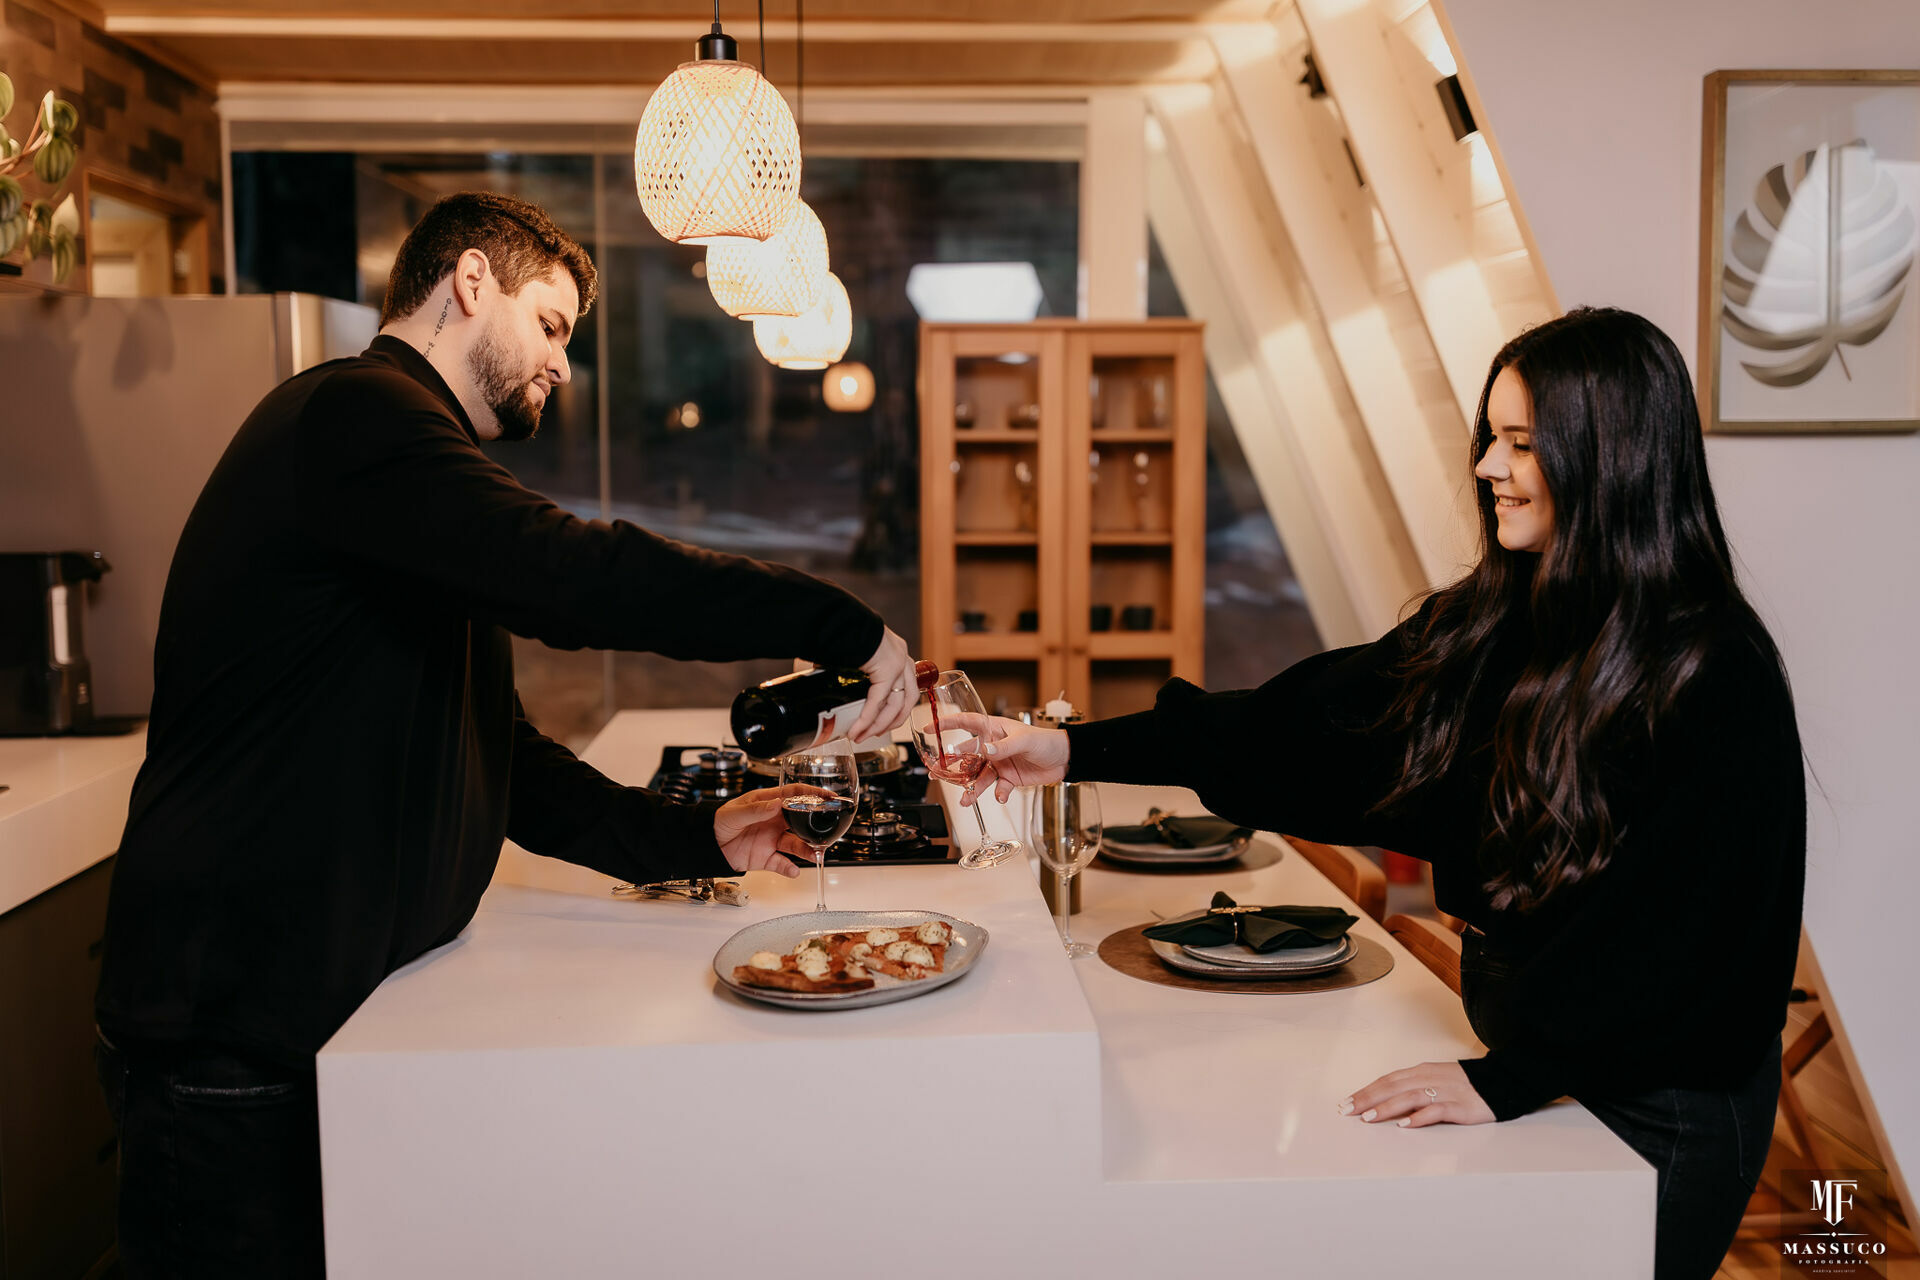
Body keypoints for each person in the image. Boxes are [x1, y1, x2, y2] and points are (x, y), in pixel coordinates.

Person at [92, 191, 914, 1279]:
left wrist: (696, 839)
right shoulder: (356, 417)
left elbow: (503, 758)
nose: (563, 365)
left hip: (317, 1026)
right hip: (230, 1041)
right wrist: (834, 618)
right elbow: (575, 573)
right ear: (469, 282)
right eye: (552, 324)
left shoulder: (396, 478)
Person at [968, 308, 1802, 1280]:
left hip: (1661, 1103)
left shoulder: (1717, 668)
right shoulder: (1500, 620)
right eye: (1492, 435)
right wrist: (1069, 747)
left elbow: (1689, 936)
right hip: (1533, 1052)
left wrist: (1513, 1079)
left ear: (1612, 459)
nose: (1488, 464)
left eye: (1524, 443)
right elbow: (1306, 723)